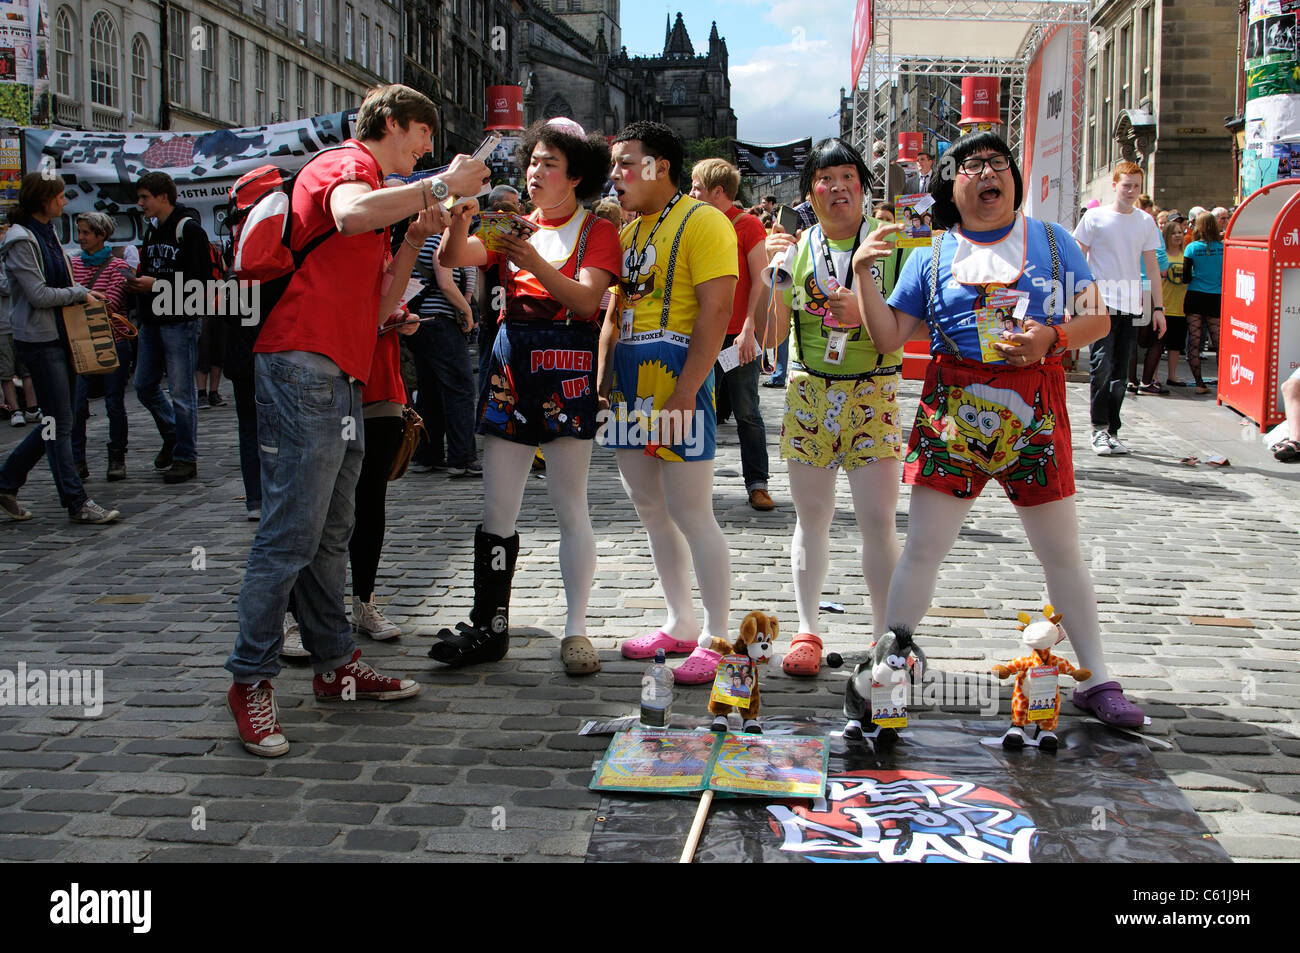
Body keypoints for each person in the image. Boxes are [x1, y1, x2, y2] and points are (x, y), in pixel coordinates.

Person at [224, 83, 489, 757]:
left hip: (339, 369)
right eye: (422, 136)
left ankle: (335, 663)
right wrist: (438, 182)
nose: (428, 149)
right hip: (302, 362)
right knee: (290, 532)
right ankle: (250, 677)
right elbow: (345, 216)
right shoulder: (347, 166)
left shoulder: (381, 192)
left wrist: (413, 240)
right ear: (393, 124)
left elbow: (377, 306)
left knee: (330, 531)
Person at [850, 130, 1145, 730]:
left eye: (999, 163)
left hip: (1035, 407)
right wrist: (863, 275)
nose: (989, 173)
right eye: (973, 165)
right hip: (952, 411)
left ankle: (1099, 678)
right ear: (951, 185)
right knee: (925, 548)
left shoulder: (1057, 243)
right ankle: (893, 661)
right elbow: (887, 338)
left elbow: (1096, 318)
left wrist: (1049, 338)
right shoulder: (929, 256)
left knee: (1060, 551)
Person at [433, 117, 620, 674]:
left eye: (550, 164)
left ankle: (576, 629)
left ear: (576, 176)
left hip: (566, 368)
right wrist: (457, 222)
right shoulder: (510, 222)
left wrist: (530, 258)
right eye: (534, 161)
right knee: (497, 506)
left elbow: (587, 303)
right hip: (511, 365)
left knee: (570, 506)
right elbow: (452, 260)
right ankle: (489, 624)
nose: (536, 171)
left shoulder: (597, 231)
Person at [762, 138, 908, 678]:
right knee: (811, 518)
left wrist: (862, 307)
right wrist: (770, 277)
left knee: (877, 521)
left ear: (864, 189)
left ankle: (883, 636)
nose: (838, 187)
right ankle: (807, 630)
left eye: (848, 176)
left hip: (873, 391)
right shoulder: (796, 251)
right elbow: (773, 335)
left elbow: (899, 340)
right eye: (825, 179)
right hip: (810, 393)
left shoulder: (892, 247)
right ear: (810, 193)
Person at [599, 120, 738, 685]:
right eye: (615, 165)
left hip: (678, 376)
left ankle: (716, 634)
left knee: (690, 511)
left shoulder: (705, 222)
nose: (616, 175)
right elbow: (613, 311)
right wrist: (604, 378)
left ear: (661, 166)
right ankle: (679, 619)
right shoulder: (627, 235)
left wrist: (684, 392)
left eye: (626, 164)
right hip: (629, 382)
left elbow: (716, 313)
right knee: (649, 508)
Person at [0, 173, 118, 523]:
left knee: (57, 421)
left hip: (60, 334)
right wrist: (80, 293)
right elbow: (38, 295)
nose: (65, 202)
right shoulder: (22, 239)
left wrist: (82, 291)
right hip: (39, 339)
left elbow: (60, 281)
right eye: (60, 196)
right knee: (59, 423)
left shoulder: (47, 232)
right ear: (43, 200)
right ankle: (76, 501)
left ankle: (6, 481)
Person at [690, 158, 775, 511]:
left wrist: (749, 329)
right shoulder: (696, 223)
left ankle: (757, 483)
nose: (691, 192)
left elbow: (760, 278)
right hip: (703, 333)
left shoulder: (748, 225)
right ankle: (694, 485)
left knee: (746, 412)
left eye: (696, 187)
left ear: (717, 191)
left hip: (737, 335)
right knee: (699, 411)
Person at [1073, 161, 1165, 456]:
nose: (1131, 191)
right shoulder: (1095, 217)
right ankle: (1098, 428)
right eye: (1126, 185)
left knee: (1121, 372)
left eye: (1136, 186)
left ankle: (1111, 430)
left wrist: (1158, 309)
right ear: (1114, 185)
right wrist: (1072, 300)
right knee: (1101, 365)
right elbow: (1077, 258)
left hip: (1130, 302)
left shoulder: (1145, 221)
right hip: (1100, 301)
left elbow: (1152, 268)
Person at [129, 171, 213, 484]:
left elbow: (203, 282)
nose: (140, 204)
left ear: (163, 196)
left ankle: (185, 456)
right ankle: (173, 435)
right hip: (151, 320)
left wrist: (158, 284)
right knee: (144, 385)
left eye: (144, 197)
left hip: (179, 321)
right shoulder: (152, 231)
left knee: (181, 391)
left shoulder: (188, 230)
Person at [70, 212, 137, 482]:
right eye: (80, 232)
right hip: (80, 342)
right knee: (77, 405)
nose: (80, 238)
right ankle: (77, 460)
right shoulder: (72, 264)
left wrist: (77, 295)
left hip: (113, 341)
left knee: (114, 404)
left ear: (100, 235)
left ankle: (117, 456)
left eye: (86, 232)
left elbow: (110, 301)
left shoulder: (117, 266)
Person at [1183, 211, 1224, 395]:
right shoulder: (1223, 248)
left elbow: (1185, 277)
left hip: (1195, 296)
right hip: (1216, 296)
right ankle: (1224, 383)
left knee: (1194, 340)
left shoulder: (1191, 248)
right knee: (1218, 343)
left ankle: (1199, 383)